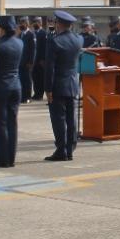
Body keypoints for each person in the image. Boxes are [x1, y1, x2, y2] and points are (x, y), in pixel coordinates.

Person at [0, 15, 23, 168]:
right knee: (12, 122)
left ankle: (3, 158)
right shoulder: (20, 43)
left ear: (2, 29)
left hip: (1, 86)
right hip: (16, 85)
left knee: (0, 123)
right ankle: (11, 157)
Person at [44, 10, 81, 161]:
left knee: (58, 119)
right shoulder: (78, 39)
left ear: (59, 24)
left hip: (58, 85)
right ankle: (70, 149)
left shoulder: (55, 41)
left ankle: (61, 150)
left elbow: (50, 68)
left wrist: (48, 89)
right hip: (72, 83)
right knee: (71, 119)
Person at [18, 17, 35, 103]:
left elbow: (33, 49)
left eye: (23, 23)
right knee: (21, 79)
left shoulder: (31, 34)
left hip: (27, 62)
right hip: (20, 61)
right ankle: (22, 96)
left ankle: (28, 96)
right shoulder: (20, 34)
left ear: (27, 24)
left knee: (27, 80)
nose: (21, 25)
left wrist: (31, 62)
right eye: (20, 23)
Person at [32, 17, 48, 101]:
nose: (35, 24)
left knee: (40, 78)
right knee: (35, 77)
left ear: (40, 23)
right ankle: (36, 93)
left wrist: (43, 59)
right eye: (34, 22)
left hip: (40, 60)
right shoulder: (33, 33)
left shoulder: (44, 33)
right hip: (34, 60)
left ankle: (40, 94)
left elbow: (44, 48)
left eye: (36, 22)